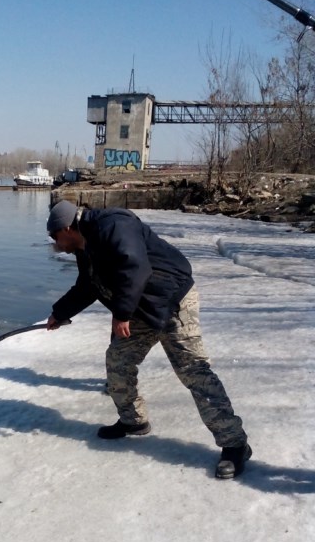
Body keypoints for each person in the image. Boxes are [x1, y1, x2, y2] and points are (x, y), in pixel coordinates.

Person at [45, 200, 251, 479]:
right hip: (141, 307)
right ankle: (133, 421)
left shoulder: (113, 225)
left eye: (55, 237)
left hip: (172, 301)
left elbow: (135, 267)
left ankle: (235, 444)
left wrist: (121, 314)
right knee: (118, 360)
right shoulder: (85, 245)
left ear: (66, 228)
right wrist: (60, 313)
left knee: (194, 372)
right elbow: (88, 285)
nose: (56, 244)